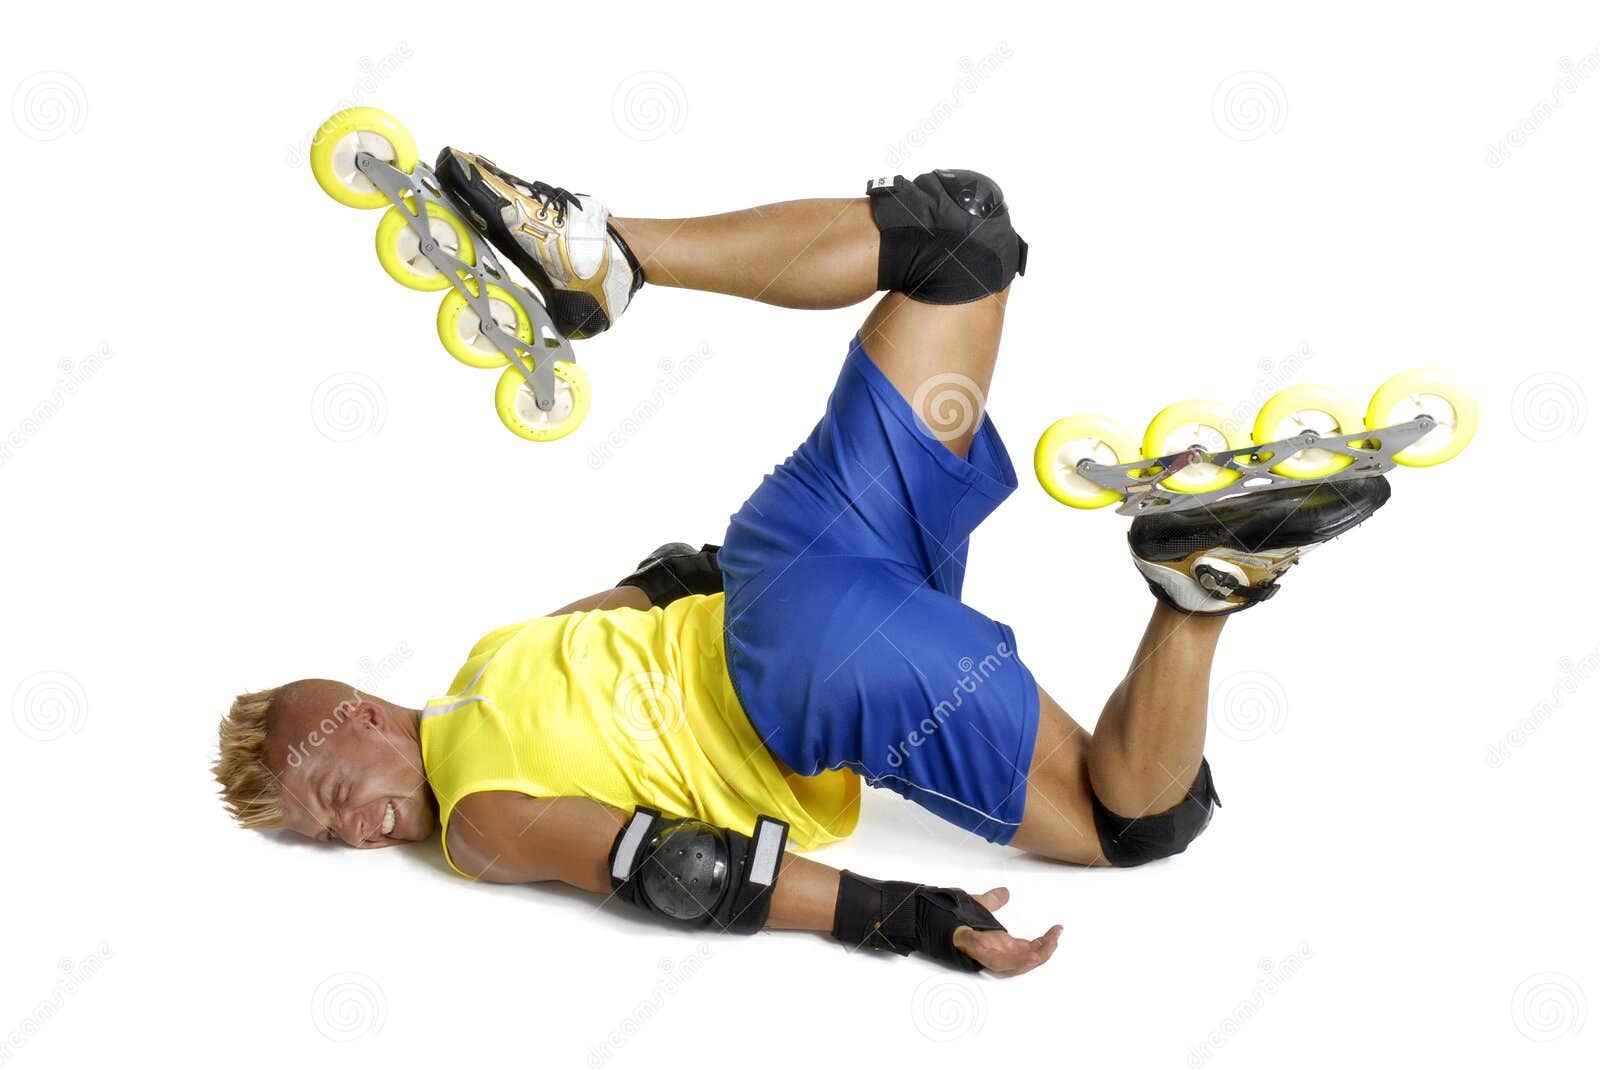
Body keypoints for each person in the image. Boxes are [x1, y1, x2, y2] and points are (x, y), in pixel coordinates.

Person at [213, 148, 1390, 975]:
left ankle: (1194, 596)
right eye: (331, 838)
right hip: (798, 552)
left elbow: (674, 872)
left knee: (1134, 822)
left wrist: (901, 918)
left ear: (361, 713)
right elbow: (670, 579)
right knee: (959, 235)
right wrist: (841, 585)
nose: (360, 833)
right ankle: (616, 256)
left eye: (332, 800)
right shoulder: (497, 650)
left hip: (820, 672)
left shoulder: (474, 823)